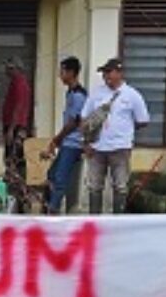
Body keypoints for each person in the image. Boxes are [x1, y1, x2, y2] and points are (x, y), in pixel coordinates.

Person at [80, 57, 149, 214]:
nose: (106, 76)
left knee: (120, 186)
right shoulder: (97, 93)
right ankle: (95, 220)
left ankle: (118, 221)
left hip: (120, 148)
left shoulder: (132, 95)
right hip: (96, 148)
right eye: (104, 73)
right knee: (94, 186)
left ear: (120, 73)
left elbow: (143, 120)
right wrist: (85, 143)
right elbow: (84, 119)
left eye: (109, 72)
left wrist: (125, 130)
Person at [40, 56, 87, 214]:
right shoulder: (70, 93)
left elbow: (73, 122)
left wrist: (57, 139)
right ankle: (51, 207)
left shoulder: (79, 95)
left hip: (74, 143)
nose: (60, 75)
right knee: (52, 175)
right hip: (67, 142)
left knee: (60, 178)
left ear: (72, 73)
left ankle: (53, 211)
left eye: (63, 71)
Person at [1, 57, 32, 183]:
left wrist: (11, 129)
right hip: (14, 125)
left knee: (13, 159)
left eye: (9, 68)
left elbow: (18, 107)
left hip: (16, 126)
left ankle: (15, 189)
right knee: (11, 158)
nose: (6, 71)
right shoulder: (15, 82)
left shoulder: (19, 83)